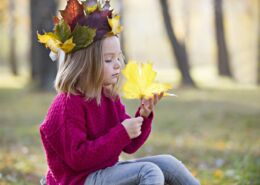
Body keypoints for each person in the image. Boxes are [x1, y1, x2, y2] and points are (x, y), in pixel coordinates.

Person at [38, 0, 200, 184]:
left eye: (118, 57)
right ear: (84, 64)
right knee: (148, 172)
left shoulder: (108, 96)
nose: (117, 64)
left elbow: (129, 145)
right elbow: (78, 159)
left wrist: (144, 116)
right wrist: (122, 132)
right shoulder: (67, 104)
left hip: (104, 171)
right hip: (78, 180)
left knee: (169, 164)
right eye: (108, 60)